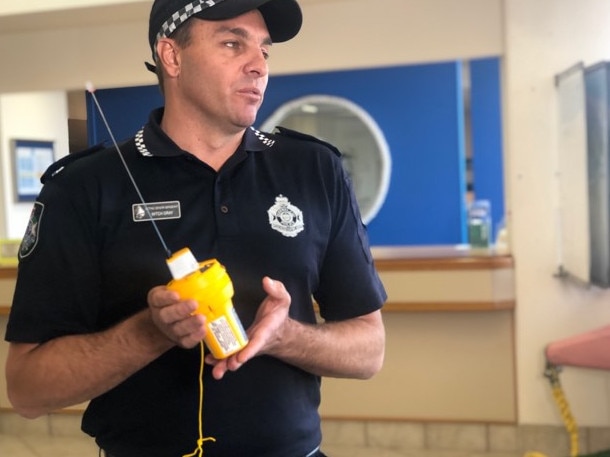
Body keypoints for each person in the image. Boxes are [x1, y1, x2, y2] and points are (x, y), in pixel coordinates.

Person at [4, 0, 387, 456]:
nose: (257, 66)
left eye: (264, 51)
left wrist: (286, 336)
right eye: (232, 43)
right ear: (172, 56)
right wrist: (150, 332)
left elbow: (370, 350)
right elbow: (27, 390)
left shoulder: (314, 169)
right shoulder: (84, 187)